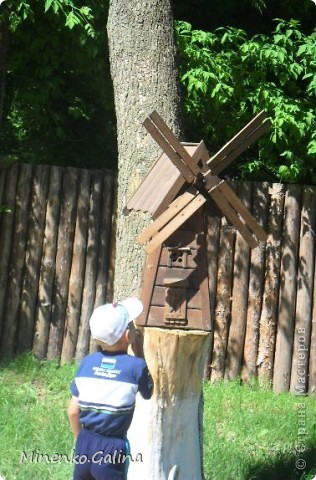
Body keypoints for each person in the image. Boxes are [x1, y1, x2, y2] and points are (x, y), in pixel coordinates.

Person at [68, 297, 153, 480]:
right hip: (113, 447)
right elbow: (148, 392)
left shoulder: (87, 363)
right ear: (127, 336)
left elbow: (73, 412)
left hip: (85, 441)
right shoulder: (136, 367)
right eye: (130, 325)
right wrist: (140, 352)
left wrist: (80, 439)